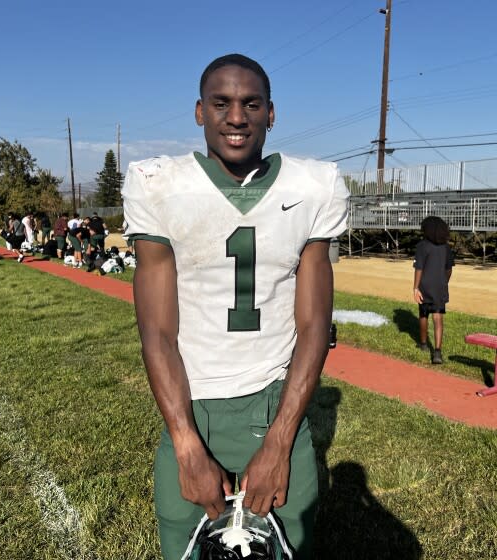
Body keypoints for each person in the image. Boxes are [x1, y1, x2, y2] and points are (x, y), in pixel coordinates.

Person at [122, 53, 349, 560]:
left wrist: (280, 441)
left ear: (272, 113)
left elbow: (314, 326)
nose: (237, 117)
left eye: (252, 103)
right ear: (200, 111)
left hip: (273, 400)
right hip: (192, 403)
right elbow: (156, 333)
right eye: (221, 103)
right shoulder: (159, 184)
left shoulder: (313, 186)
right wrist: (185, 445)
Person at [413, 215, 454, 364]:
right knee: (438, 317)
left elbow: (419, 268)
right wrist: (444, 281)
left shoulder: (422, 246)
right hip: (440, 285)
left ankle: (423, 344)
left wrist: (415, 288)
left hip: (424, 285)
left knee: (423, 313)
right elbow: (449, 269)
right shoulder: (446, 247)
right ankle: (437, 352)